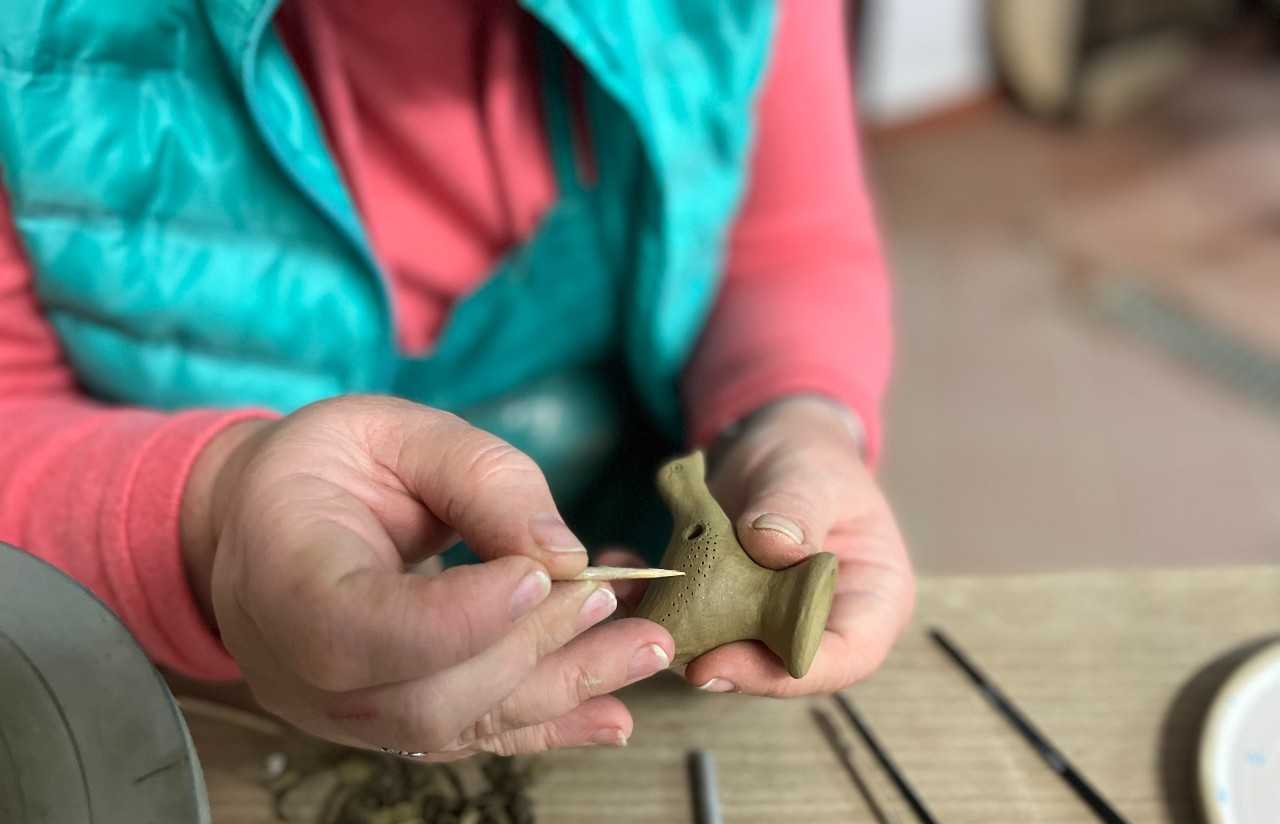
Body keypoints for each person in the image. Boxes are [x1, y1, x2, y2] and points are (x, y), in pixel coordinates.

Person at [0, 0, 913, 760]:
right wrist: (212, 521)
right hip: (194, 712)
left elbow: (779, 245)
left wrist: (793, 417)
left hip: (638, 661)